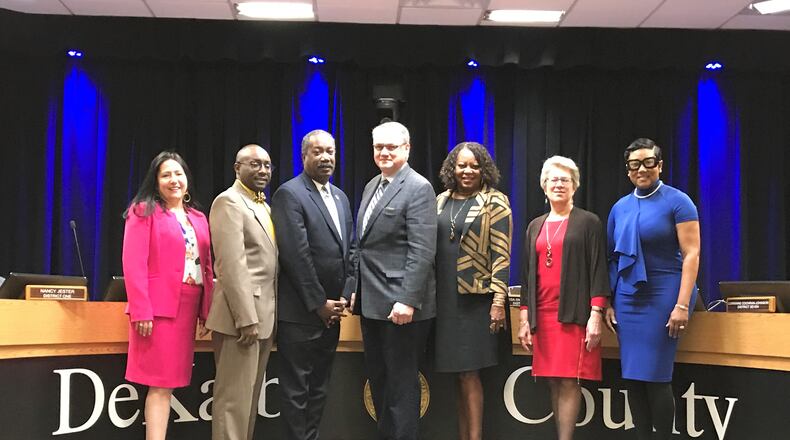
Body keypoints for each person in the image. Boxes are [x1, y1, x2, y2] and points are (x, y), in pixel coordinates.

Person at [344, 121, 437, 440]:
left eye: (391, 147)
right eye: (378, 147)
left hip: (402, 309)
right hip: (372, 305)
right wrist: (354, 287)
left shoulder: (419, 187)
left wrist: (408, 300)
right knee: (379, 384)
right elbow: (363, 245)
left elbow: (422, 250)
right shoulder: (372, 185)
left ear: (407, 148)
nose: (384, 152)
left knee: (401, 387)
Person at [605, 138, 700, 440]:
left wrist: (682, 304)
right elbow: (612, 258)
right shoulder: (619, 207)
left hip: (665, 294)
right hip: (627, 298)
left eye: (648, 162)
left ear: (660, 165)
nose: (642, 169)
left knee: (657, 377)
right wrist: (608, 301)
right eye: (635, 164)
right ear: (628, 170)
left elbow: (692, 254)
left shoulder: (678, 201)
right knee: (632, 377)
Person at [517, 155, 610, 440]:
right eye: (553, 180)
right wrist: (524, 318)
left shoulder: (588, 222)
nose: (559, 184)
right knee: (553, 381)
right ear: (544, 186)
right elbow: (526, 275)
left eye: (565, 180)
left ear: (575, 186)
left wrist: (596, 314)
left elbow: (598, 270)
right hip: (542, 315)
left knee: (570, 380)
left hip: (573, 314)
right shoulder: (535, 225)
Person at [122, 151, 214, 440]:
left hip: (188, 308)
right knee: (159, 385)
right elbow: (133, 263)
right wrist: (141, 309)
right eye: (166, 175)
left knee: (170, 384)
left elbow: (207, 265)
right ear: (156, 181)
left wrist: (206, 310)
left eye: (179, 174)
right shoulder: (143, 211)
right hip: (158, 311)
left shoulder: (198, 217)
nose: (174, 180)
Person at [271, 130, 353, 440]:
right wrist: (319, 303)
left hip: (333, 313)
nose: (325, 158)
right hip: (301, 315)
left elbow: (351, 250)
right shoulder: (289, 194)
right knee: (296, 393)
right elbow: (296, 255)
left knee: (319, 389)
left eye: (330, 151)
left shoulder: (342, 197)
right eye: (317, 152)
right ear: (304, 156)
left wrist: (345, 294)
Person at [433, 142, 512, 440]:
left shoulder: (495, 202)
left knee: (470, 373)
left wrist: (498, 300)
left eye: (474, 166)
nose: (467, 171)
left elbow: (502, 255)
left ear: (484, 170)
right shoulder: (440, 200)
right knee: (457, 374)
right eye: (462, 165)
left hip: (476, 301)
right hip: (444, 299)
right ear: (452, 168)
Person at [206, 144, 278, 440]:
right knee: (233, 404)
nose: (262, 170)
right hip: (242, 321)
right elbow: (231, 265)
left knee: (247, 405)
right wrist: (246, 318)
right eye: (254, 164)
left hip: (264, 319)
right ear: (237, 168)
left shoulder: (262, 205)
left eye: (267, 165)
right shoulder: (229, 202)